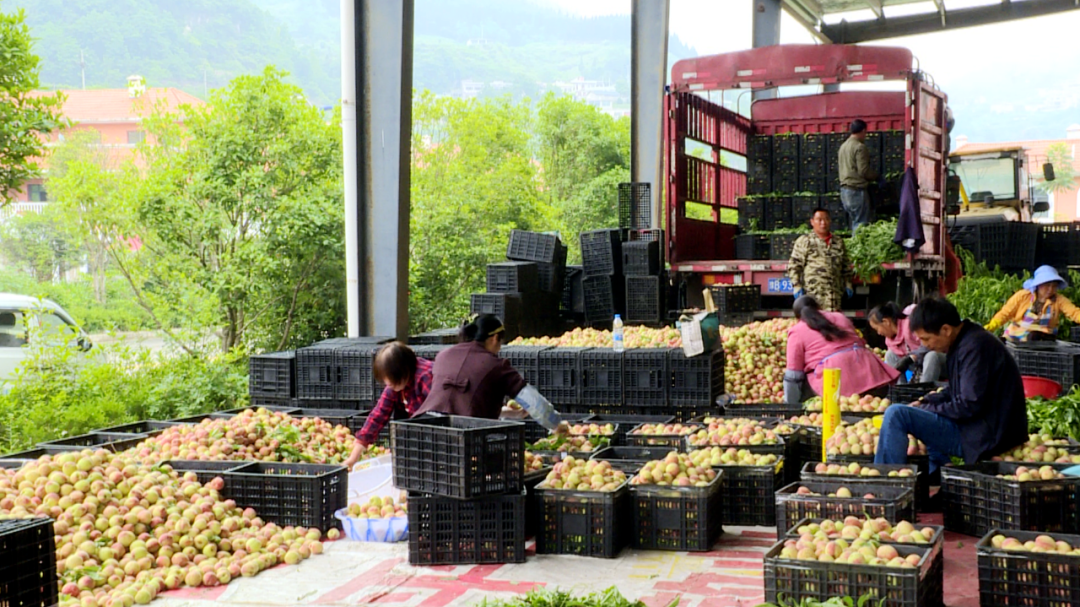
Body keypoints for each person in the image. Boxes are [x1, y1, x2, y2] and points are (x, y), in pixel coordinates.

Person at [874, 297, 1026, 475]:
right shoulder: (966, 341)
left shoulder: (974, 347)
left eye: (927, 339)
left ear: (946, 329)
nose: (924, 345)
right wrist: (925, 401)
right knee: (921, 411)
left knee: (896, 414)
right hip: (983, 427)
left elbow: (969, 404)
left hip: (989, 435)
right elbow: (956, 390)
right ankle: (937, 470)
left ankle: (886, 481)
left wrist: (928, 407)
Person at [415, 314, 565, 430]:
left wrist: (510, 413)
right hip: (467, 437)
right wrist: (556, 424)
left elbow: (460, 401)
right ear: (494, 338)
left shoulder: (443, 356)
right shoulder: (496, 365)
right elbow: (535, 403)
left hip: (426, 428)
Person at [784, 295, 899, 404]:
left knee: (802, 384)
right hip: (870, 372)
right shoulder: (839, 316)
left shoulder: (797, 331)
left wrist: (791, 405)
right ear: (819, 307)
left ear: (798, 317)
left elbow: (793, 375)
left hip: (836, 382)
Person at [342, 342, 433, 469]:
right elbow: (378, 415)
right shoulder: (396, 384)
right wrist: (353, 457)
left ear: (403, 372)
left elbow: (441, 411)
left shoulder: (426, 377)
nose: (390, 386)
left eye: (392, 382)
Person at [985, 265, 1080, 343]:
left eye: (1054, 286)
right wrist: (993, 325)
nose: (1050, 290)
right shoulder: (1023, 296)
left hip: (1042, 336)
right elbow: (1006, 313)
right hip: (1017, 332)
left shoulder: (1059, 300)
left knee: (1033, 337)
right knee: (999, 342)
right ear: (1038, 285)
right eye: (1047, 285)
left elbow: (1074, 312)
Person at [787, 207, 853, 312]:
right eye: (819, 219)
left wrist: (848, 283)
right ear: (812, 222)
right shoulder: (805, 241)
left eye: (826, 219)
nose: (823, 223)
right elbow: (794, 265)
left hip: (834, 296)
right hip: (814, 295)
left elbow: (845, 265)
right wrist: (796, 285)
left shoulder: (838, 242)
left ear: (830, 221)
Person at [869, 302, 946, 384]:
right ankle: (901, 390)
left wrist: (911, 358)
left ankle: (923, 391)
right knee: (890, 355)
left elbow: (930, 344)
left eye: (877, 329)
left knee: (931, 356)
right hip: (919, 366)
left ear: (886, 322)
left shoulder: (910, 325)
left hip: (940, 363)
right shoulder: (889, 342)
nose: (878, 333)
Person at [838, 119, 878, 234]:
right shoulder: (859, 147)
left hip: (845, 191)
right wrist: (877, 177)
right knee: (861, 224)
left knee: (855, 222)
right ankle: (859, 249)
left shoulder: (843, 146)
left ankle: (855, 247)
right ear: (863, 130)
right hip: (856, 191)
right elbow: (864, 171)